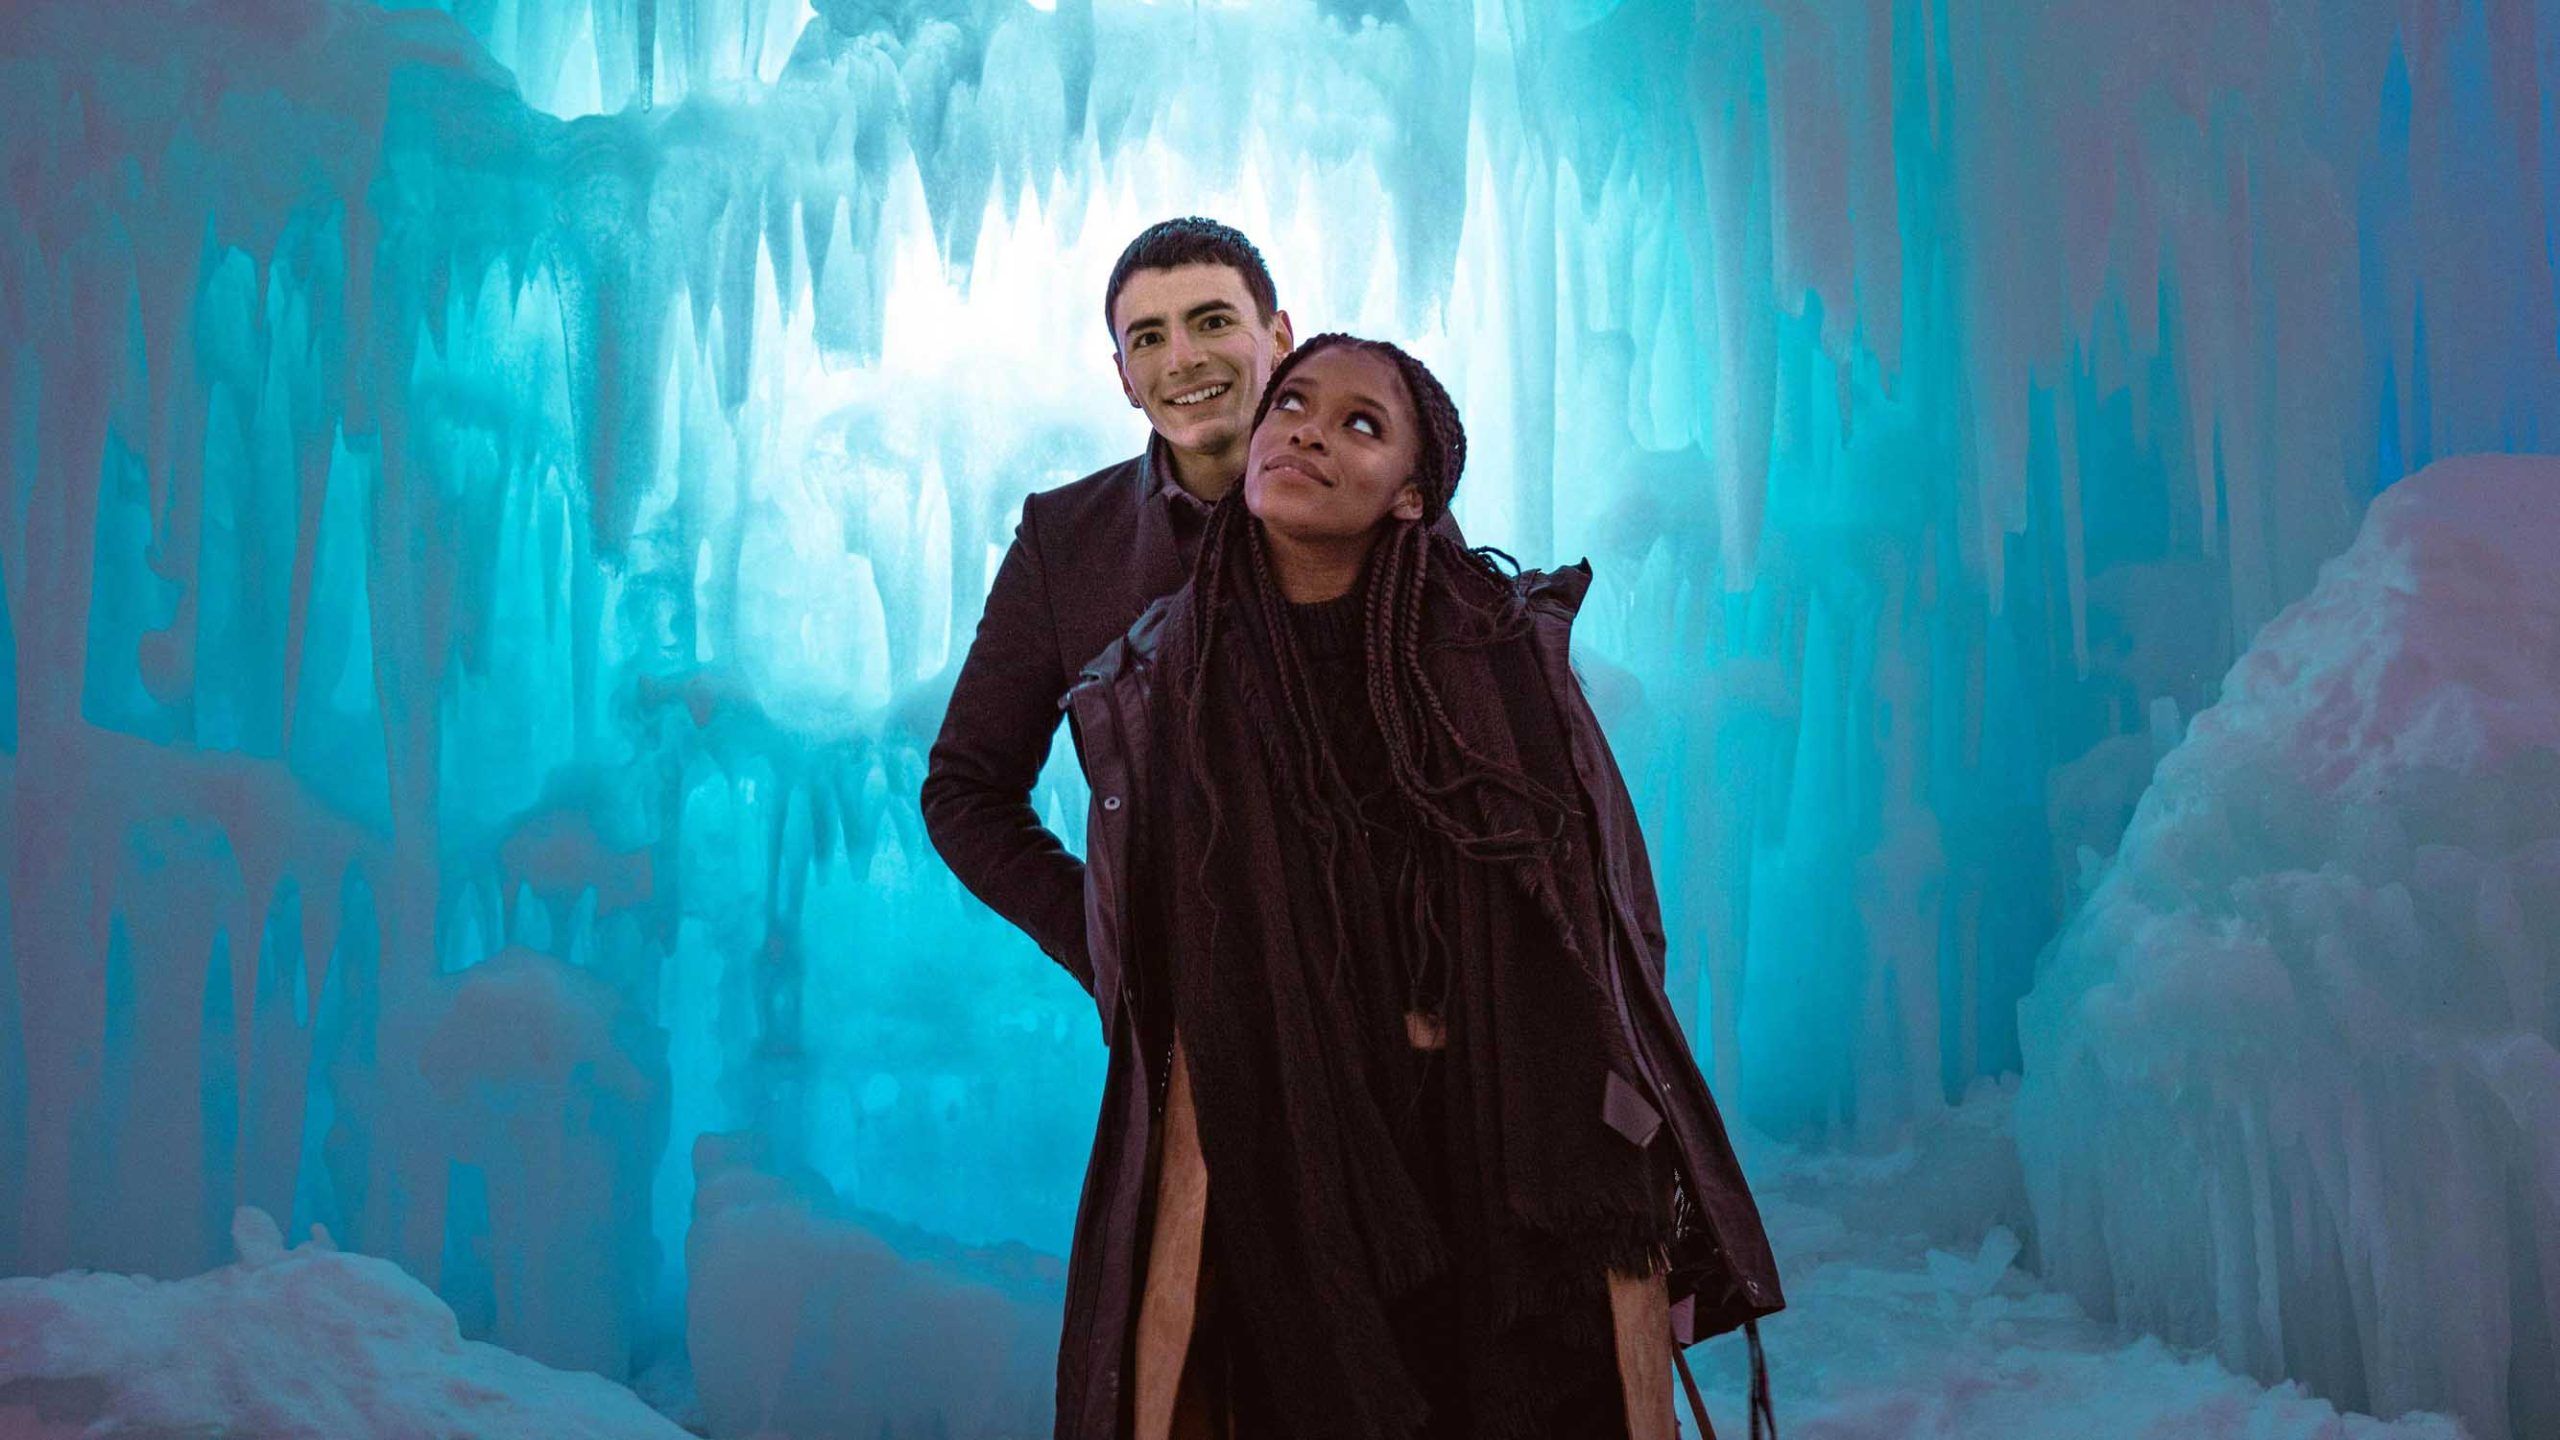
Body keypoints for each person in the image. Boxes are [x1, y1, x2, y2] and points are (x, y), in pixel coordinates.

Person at [1064, 334, 1783, 1440]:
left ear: (1410, 495)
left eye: (1360, 424)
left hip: (1498, 1154)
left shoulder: (1499, 660)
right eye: (1291, 404)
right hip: (1278, 1149)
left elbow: (1603, 925)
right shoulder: (1166, 677)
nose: (1303, 428)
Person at [923, 216, 1297, 994]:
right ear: (1125, 376)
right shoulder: (1061, 540)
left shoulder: (1382, 502)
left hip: (1387, 1027)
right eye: (1149, 338)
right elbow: (966, 790)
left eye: (1213, 321)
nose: (1183, 357)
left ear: (1280, 337)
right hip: (1190, 1038)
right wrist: (1108, 948)